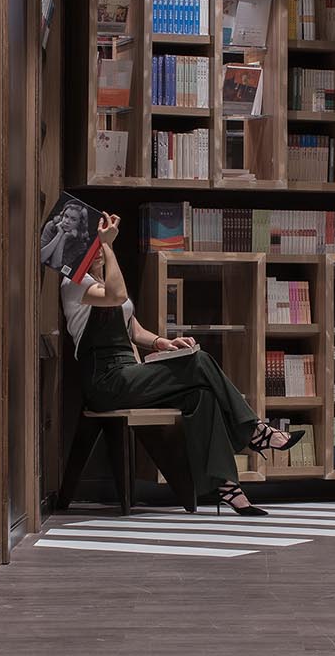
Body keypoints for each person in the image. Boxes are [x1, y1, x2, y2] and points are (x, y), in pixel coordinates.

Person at [61, 210, 303, 516]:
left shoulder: (104, 277)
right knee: (199, 361)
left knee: (200, 395)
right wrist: (109, 247)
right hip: (106, 380)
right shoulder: (74, 284)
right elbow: (115, 295)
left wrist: (162, 342)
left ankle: (227, 485)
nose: (99, 250)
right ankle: (255, 431)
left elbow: (132, 328)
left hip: (129, 373)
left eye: (101, 244)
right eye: (95, 245)